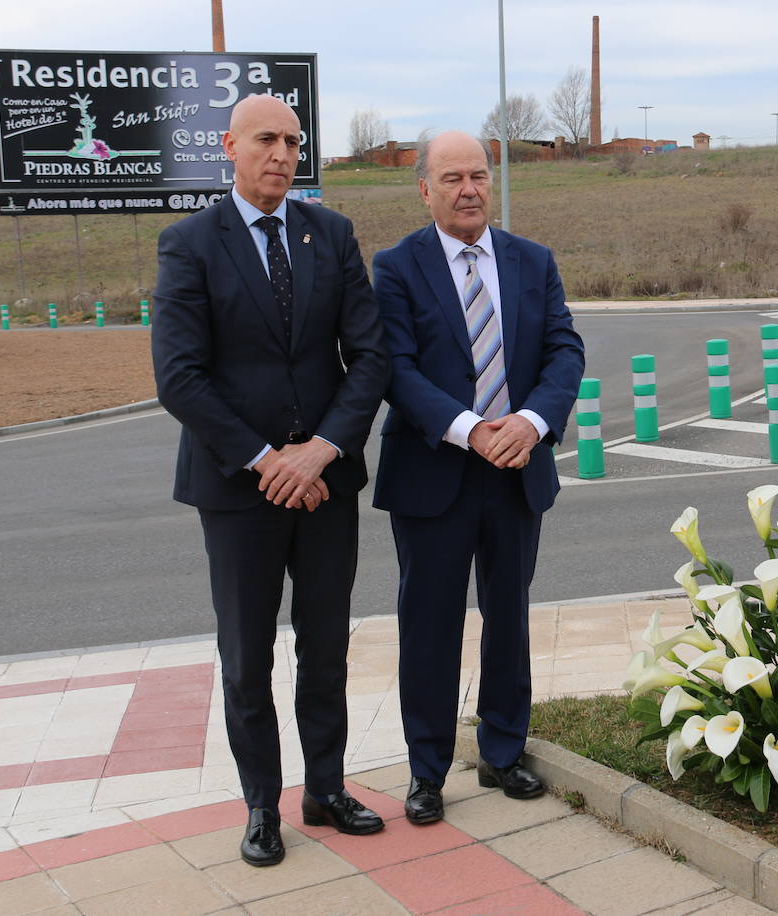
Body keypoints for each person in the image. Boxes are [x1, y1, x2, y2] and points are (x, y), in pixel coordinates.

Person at [151, 94, 389, 866]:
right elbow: (179, 377)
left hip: (326, 486)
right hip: (238, 489)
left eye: (293, 140)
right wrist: (268, 460)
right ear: (230, 147)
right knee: (247, 657)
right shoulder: (190, 244)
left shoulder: (332, 235)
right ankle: (262, 805)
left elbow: (370, 357)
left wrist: (321, 450)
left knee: (326, 648)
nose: (282, 154)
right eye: (266, 139)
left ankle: (327, 788)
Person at [371, 130, 585, 824]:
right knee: (428, 627)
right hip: (434, 472)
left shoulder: (532, 261)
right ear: (424, 189)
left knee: (509, 617)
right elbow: (395, 368)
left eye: (478, 176)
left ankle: (503, 751)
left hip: (517, 469)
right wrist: (471, 429)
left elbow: (564, 350)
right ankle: (427, 771)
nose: (469, 190)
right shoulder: (396, 267)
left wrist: (532, 422)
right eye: (452, 178)